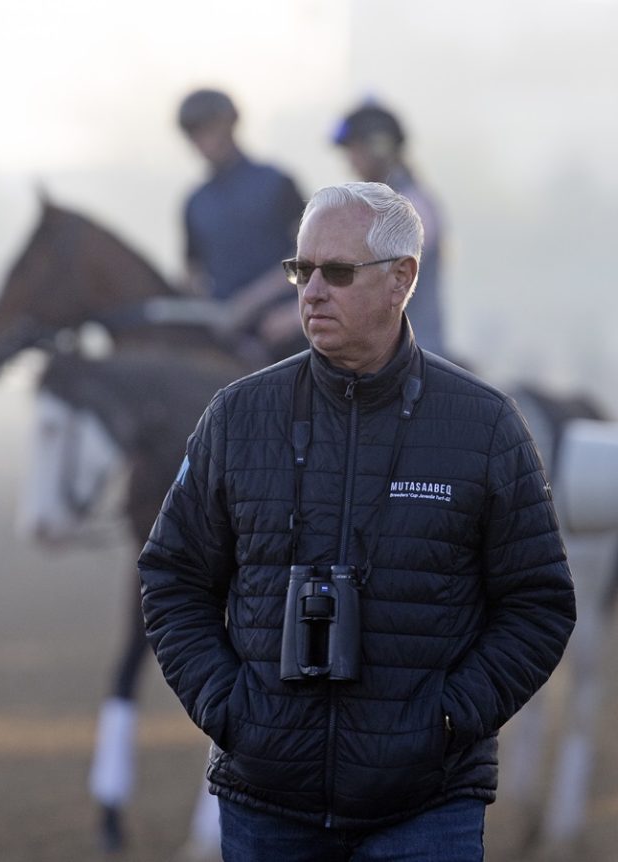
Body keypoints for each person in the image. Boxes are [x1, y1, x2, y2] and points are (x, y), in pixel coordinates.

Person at [139, 182, 576, 861]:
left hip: (428, 807)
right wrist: (231, 711)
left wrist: (450, 718)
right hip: (265, 803)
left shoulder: (484, 426)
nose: (310, 291)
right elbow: (171, 578)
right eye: (300, 269)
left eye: (336, 272)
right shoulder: (238, 417)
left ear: (402, 278)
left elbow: (539, 603)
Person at [177, 88, 308, 362]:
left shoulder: (277, 183)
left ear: (229, 125)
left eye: (207, 128)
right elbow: (192, 275)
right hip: (229, 343)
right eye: (193, 133)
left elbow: (313, 257)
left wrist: (253, 302)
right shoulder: (195, 203)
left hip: (289, 330)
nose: (201, 141)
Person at [332, 101, 448, 357]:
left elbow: (372, 281)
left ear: (380, 148)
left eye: (355, 150)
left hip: (414, 360)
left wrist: (295, 318)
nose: (350, 162)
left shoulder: (414, 208)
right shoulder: (377, 207)